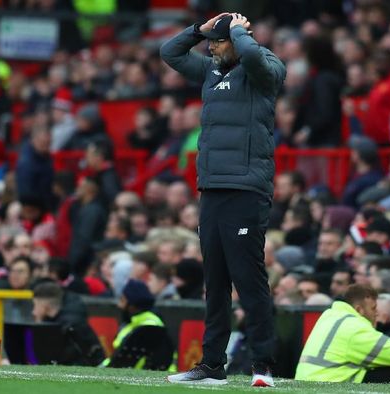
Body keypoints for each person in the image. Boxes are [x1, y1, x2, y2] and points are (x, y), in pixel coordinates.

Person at [161, 12, 285, 387]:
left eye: (219, 41)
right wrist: (199, 30)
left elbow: (252, 57)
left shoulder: (265, 69)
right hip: (212, 185)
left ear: (238, 38)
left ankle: (263, 365)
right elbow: (170, 52)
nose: (212, 49)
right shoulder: (212, 72)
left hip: (247, 187)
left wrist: (237, 32)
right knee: (214, 281)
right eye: (210, 43)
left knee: (249, 279)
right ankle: (212, 364)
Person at [295, 284, 390, 383]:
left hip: (310, 381)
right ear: (359, 309)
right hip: (329, 385)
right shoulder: (355, 328)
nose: (376, 313)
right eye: (373, 308)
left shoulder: (330, 315)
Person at [100, 279, 175, 370]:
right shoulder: (131, 323)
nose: (119, 305)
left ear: (132, 306)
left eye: (122, 300)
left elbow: (129, 362)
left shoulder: (150, 327)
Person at [31, 281, 104, 366]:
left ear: (45, 306)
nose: (33, 311)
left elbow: (49, 357)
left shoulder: (69, 326)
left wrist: (39, 325)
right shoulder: (57, 320)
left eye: (35, 305)